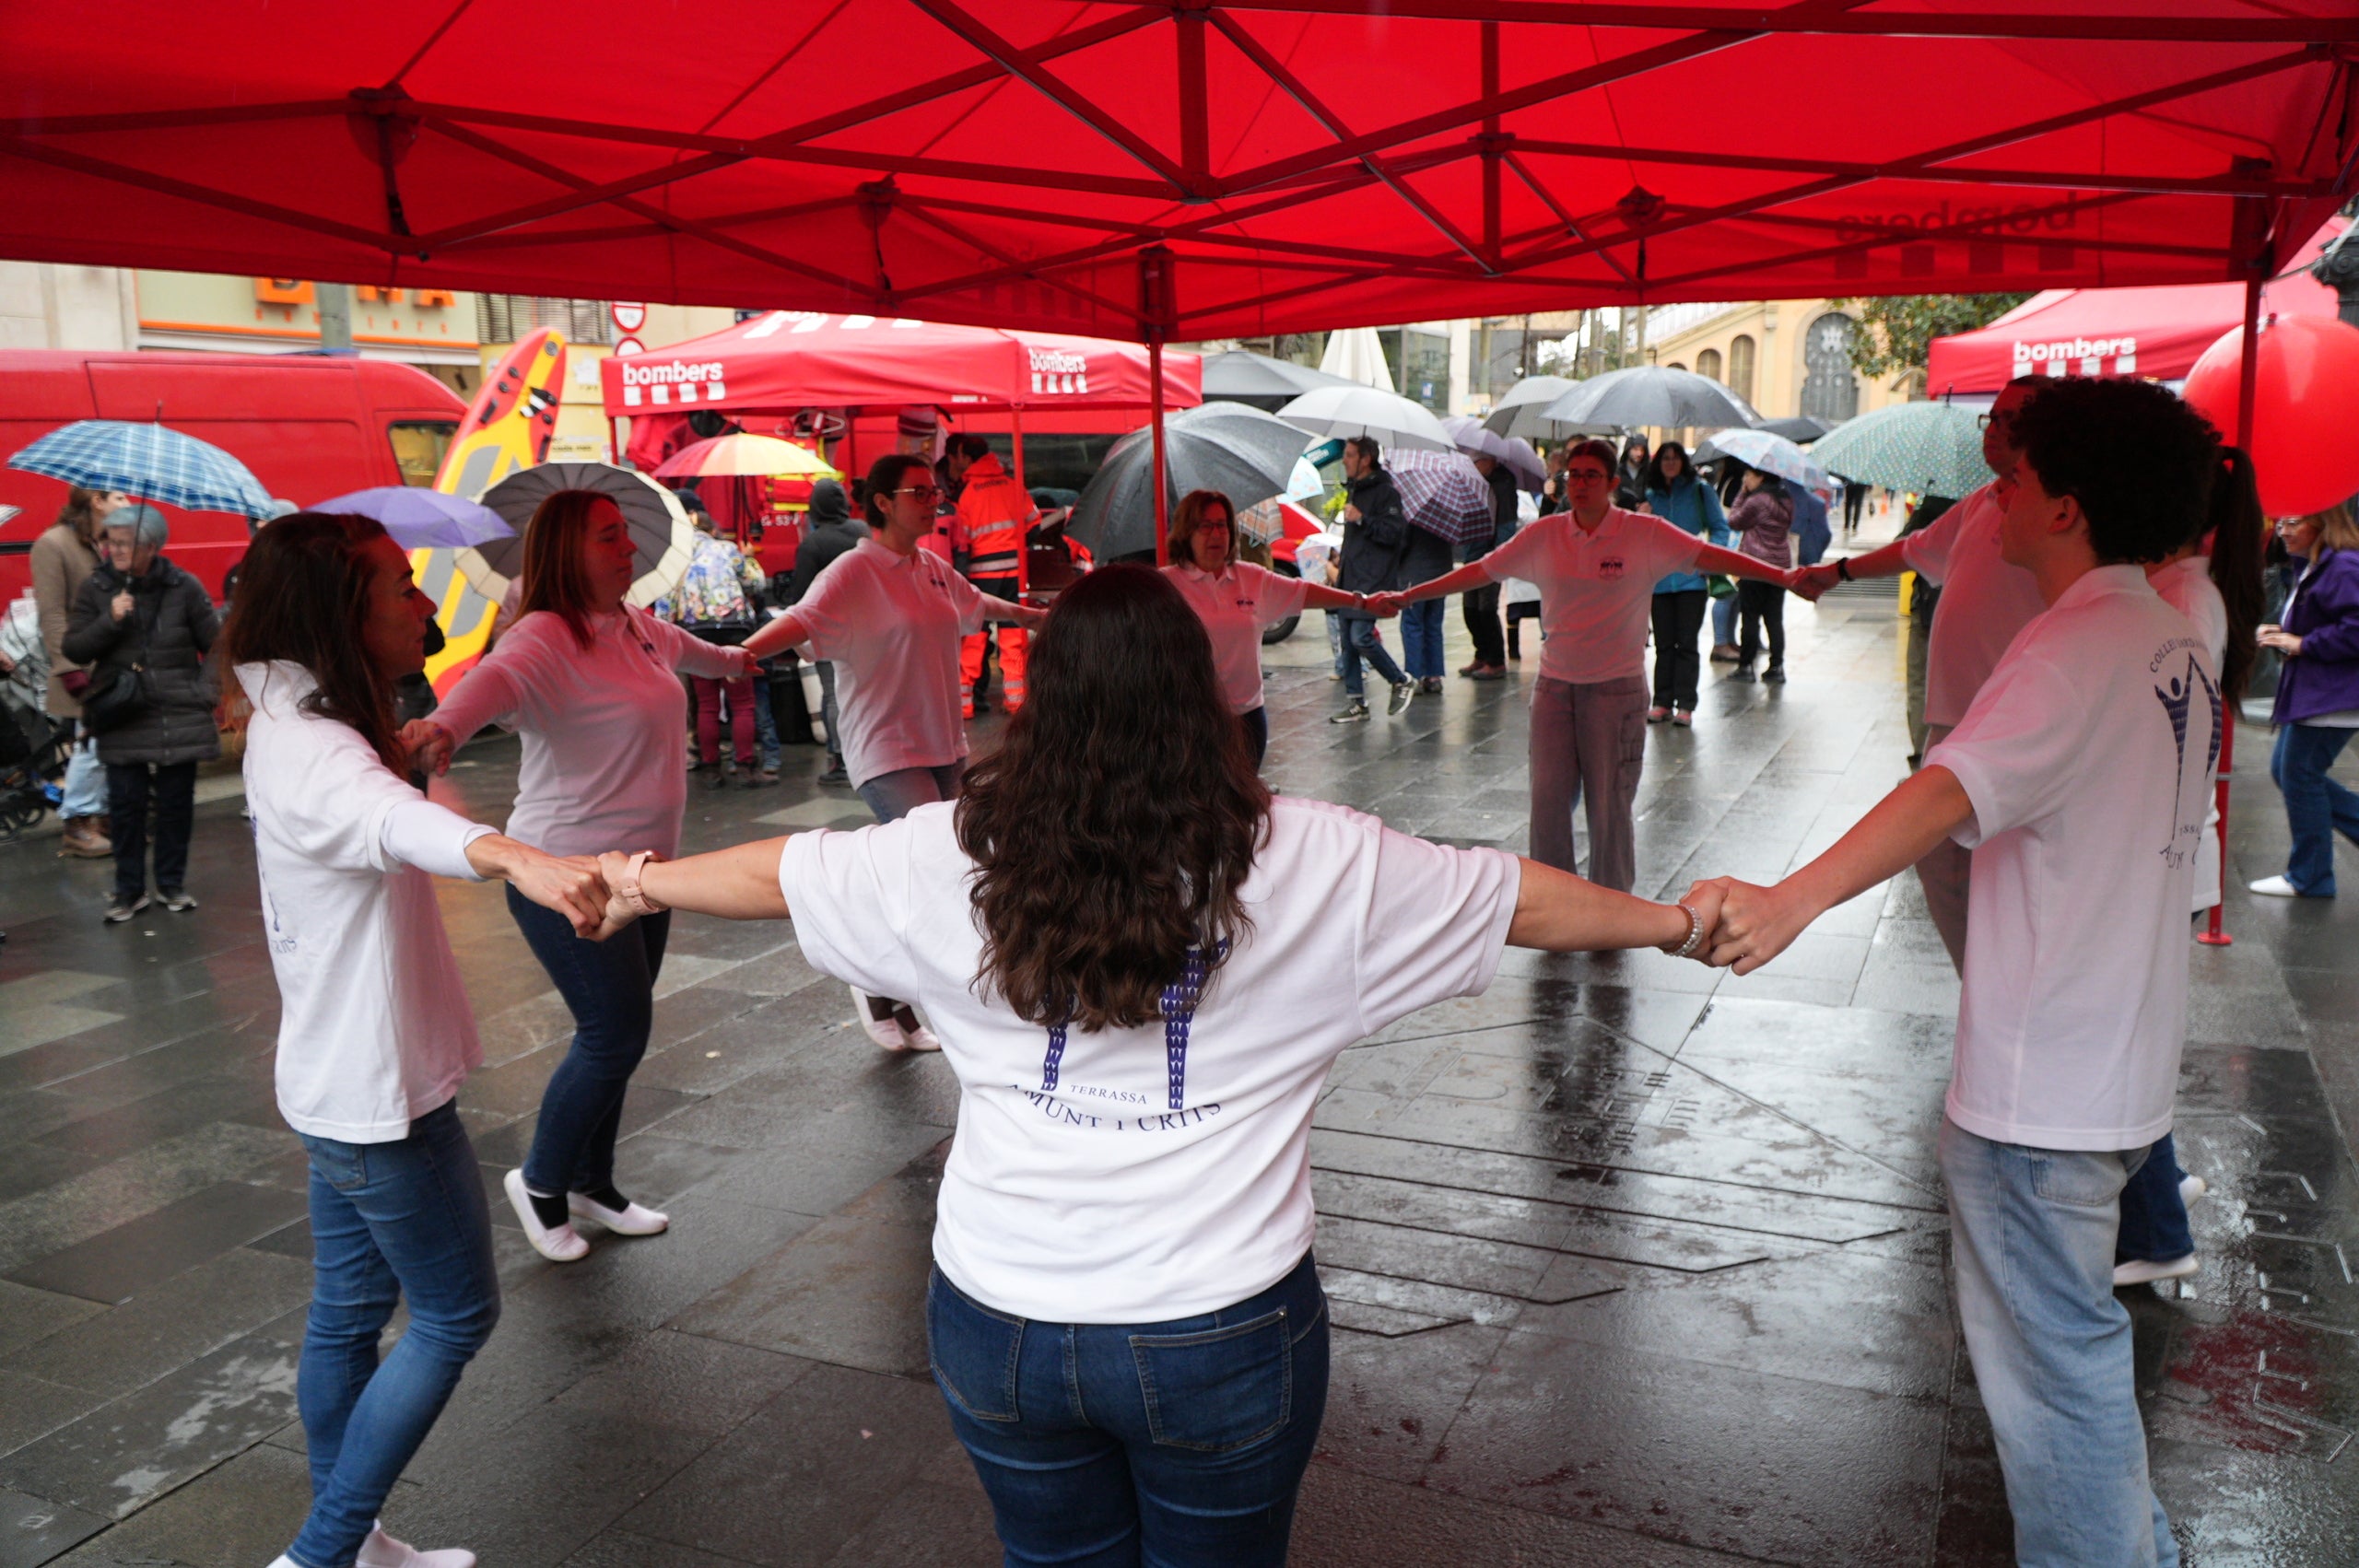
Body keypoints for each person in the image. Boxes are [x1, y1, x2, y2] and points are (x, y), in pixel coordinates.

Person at [578, 565, 1729, 1568]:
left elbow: (774, 875)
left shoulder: (943, 849)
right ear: (1201, 693)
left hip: (1000, 1319)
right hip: (1219, 1328)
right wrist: (1679, 922)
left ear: (1041, 694)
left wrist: (634, 881)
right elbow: (1521, 899)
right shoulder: (1318, 858)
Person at [1701, 376, 2224, 1568]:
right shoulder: (2166, 633)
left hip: (2043, 1094)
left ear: (2067, 507)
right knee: (2073, 1356)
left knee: (2058, 1377)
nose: (1998, 493)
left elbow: (1945, 790)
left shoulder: (2075, 644)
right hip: (2115, 1069)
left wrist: (1790, 898)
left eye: (2018, 478)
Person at [223, 512, 610, 1568]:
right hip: (377, 1097)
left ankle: (350, 1548)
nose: (425, 602)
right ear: (338, 614)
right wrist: (513, 856)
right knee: (454, 1316)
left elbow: (374, 801)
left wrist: (414, 755)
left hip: (338, 1081)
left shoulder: (303, 724)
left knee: (348, 1313)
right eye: (401, 585)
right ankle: (321, 1551)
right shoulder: (313, 749)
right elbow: (395, 823)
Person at [403, 489, 759, 1264]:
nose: (628, 550)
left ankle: (592, 1183)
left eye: (626, 536)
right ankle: (539, 1182)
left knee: (622, 1038)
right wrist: (441, 729)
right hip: (569, 873)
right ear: (569, 551)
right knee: (612, 1035)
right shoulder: (543, 637)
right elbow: (486, 686)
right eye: (610, 539)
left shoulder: (636, 627)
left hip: (644, 874)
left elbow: (711, 659)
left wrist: (756, 652)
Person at [1372, 439, 1792, 890]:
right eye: (1574, 475)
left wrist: (1787, 577)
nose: (1581, 485)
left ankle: (1611, 907)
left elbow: (1712, 557)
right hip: (1554, 690)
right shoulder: (1544, 535)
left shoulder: (1642, 533)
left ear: (1612, 483)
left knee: (1610, 808)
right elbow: (1480, 570)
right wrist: (1410, 595)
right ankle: (1557, 901)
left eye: (1592, 476)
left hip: (1617, 692)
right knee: (1548, 805)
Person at [741, 452, 1044, 1052]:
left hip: (941, 742)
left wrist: (1038, 617)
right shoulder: (853, 573)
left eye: (937, 493)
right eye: (921, 493)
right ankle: (877, 978)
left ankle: (879, 982)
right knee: (934, 868)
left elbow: (979, 606)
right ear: (882, 503)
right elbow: (801, 621)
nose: (935, 502)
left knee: (949, 864)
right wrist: (735, 657)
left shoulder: (930, 567)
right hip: (884, 744)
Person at [1790, 376, 2046, 968]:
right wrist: (1838, 574)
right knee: (1945, 866)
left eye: (2010, 419)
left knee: (2001, 872)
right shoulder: (1982, 504)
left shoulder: (2059, 513)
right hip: (1953, 724)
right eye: (1994, 418)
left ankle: (2005, 990)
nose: (1995, 430)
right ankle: (1980, 985)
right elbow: (1913, 550)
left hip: (2013, 727)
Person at [2112, 447, 2263, 1290]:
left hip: (2155, 848)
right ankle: (2162, 1198)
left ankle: (2162, 1229)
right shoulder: (2194, 590)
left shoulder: (2175, 596)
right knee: (2134, 1033)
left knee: (2127, 1042)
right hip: (2170, 844)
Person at [62, 504, 219, 924]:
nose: (114, 550)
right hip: (123, 712)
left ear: (150, 547)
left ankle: (171, 884)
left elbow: (219, 645)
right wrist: (110, 620)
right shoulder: (97, 588)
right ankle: (129, 890)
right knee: (125, 807)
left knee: (174, 805)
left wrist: (204, 691)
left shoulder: (183, 586)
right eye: (110, 542)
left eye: (124, 543)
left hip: (177, 711)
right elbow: (74, 649)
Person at [1163, 489, 1374, 766]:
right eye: (1205, 526)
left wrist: (1362, 602)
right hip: (1187, 719)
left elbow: (1303, 593)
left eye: (1222, 525)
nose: (1216, 534)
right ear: (1186, 532)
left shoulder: (1251, 578)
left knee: (1242, 801)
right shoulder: (1165, 586)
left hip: (1246, 717)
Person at [2250, 499, 2359, 898]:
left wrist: (2303, 643)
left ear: (2322, 524)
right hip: (2322, 694)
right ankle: (2312, 873)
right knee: (2292, 773)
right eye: (2281, 523)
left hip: (2331, 696)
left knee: (2297, 774)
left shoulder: (2343, 566)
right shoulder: (2316, 565)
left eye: (2294, 523)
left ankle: (2310, 876)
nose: (2284, 530)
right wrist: (2282, 632)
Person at [30, 486, 125, 859]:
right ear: (96, 501)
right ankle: (77, 823)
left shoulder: (107, 544)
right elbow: (52, 614)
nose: (128, 502)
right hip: (82, 664)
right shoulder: (53, 544)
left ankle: (101, 818)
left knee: (112, 744)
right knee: (92, 744)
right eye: (119, 496)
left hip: (113, 663)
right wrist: (69, 667)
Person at [663, 509, 772, 788]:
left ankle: (712, 769)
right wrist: (748, 557)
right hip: (734, 628)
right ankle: (745, 766)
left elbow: (666, 607)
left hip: (697, 632)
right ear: (713, 531)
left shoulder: (677, 558)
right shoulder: (727, 549)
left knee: (708, 705)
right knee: (743, 702)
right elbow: (756, 583)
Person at [1640, 441, 1730, 726]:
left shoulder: (1700, 491)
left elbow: (1720, 528)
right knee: (1664, 645)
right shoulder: (1650, 496)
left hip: (1692, 582)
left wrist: (1706, 559)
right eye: (1665, 458)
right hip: (1659, 582)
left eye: (1675, 457)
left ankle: (1686, 704)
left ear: (1683, 462)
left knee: (1687, 644)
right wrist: (1640, 517)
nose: (1670, 462)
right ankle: (1662, 701)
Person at [950, 434, 1039, 717]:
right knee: (1014, 634)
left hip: (981, 575)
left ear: (963, 455)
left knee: (975, 635)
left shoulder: (966, 495)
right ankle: (1016, 699)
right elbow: (1034, 526)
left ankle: (964, 702)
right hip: (1014, 571)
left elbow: (960, 541)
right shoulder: (1014, 487)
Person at [1330, 437, 1416, 723]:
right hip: (1350, 575)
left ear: (1366, 459)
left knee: (1360, 637)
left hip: (1372, 578)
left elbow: (1393, 533)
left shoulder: (1386, 492)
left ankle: (1400, 679)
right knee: (1347, 640)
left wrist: (1362, 520)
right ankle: (1356, 702)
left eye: (1350, 455)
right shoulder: (1355, 489)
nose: (1345, 460)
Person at [788, 475, 863, 786]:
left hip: (831, 634)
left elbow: (800, 598)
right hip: (870, 628)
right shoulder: (864, 532)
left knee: (834, 696)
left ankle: (840, 762)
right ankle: (864, 754)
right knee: (864, 694)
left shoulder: (813, 544)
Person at [1727, 466, 1794, 683]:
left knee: (1750, 617)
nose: (1745, 479)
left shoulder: (1757, 501)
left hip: (1755, 564)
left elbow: (1734, 521)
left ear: (1761, 476)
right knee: (1774, 618)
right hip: (1779, 565)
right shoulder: (1786, 500)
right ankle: (1777, 666)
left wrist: (1742, 493)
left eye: (1749, 475)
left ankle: (1746, 666)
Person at [1458, 452, 1515, 680]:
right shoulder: (1476, 482)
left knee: (1486, 608)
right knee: (1470, 608)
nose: (1474, 466)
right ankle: (1481, 653)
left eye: (1477, 462)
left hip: (1491, 555)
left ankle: (1495, 660)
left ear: (1489, 460)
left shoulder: (1503, 483)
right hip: (1473, 551)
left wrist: (1497, 557)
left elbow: (1506, 524)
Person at [1396, 497, 1456, 696]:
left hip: (1415, 574)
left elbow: (1402, 542)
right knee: (1433, 625)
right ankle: (1434, 675)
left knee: (1412, 625)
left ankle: (1415, 675)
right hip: (1441, 573)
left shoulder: (1412, 507)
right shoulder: (1447, 507)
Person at [1613, 435, 1650, 511]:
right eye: (1636, 449)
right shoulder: (1618, 471)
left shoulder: (1649, 472)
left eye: (1642, 450)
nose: (1639, 453)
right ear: (1628, 450)